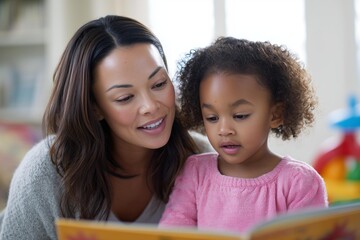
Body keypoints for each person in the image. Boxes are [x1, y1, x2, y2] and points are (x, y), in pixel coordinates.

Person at [0, 15, 212, 240]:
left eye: (159, 84)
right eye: (125, 97)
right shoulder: (47, 171)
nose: (150, 106)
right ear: (94, 108)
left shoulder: (200, 156)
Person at [159, 37, 328, 233]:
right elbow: (173, 233)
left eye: (240, 116)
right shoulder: (195, 172)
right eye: (212, 118)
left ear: (276, 115)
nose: (224, 129)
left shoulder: (299, 182)